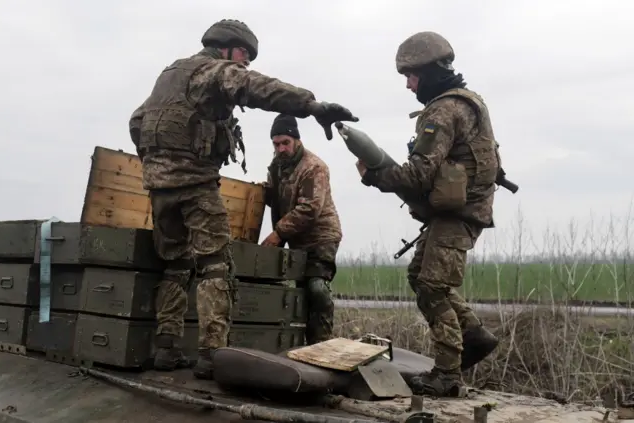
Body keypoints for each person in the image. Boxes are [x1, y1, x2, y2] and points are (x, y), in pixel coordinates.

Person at [128, 18, 358, 380]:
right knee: (216, 266)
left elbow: (137, 122)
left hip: (159, 188)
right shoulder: (214, 71)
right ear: (227, 47)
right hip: (196, 185)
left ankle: (166, 349)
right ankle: (211, 354)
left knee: (174, 265)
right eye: (244, 54)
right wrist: (311, 106)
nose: (245, 62)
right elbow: (257, 88)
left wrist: (158, 166)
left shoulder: (170, 74)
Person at [355, 31, 500, 397]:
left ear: (429, 71)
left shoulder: (441, 110)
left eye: (411, 76)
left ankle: (448, 375)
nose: (408, 85)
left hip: (458, 213)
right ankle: (474, 335)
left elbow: (419, 174)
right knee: (421, 276)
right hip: (463, 210)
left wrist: (373, 176)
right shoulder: (470, 102)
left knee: (433, 290)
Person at [261, 113, 342, 345]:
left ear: (296, 140)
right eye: (276, 144)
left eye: (285, 142)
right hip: (296, 238)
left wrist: (279, 233)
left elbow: (309, 209)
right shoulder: (276, 167)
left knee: (316, 287)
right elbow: (274, 197)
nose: (281, 148)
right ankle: (299, 343)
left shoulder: (314, 167)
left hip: (321, 236)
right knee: (300, 292)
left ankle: (322, 343)